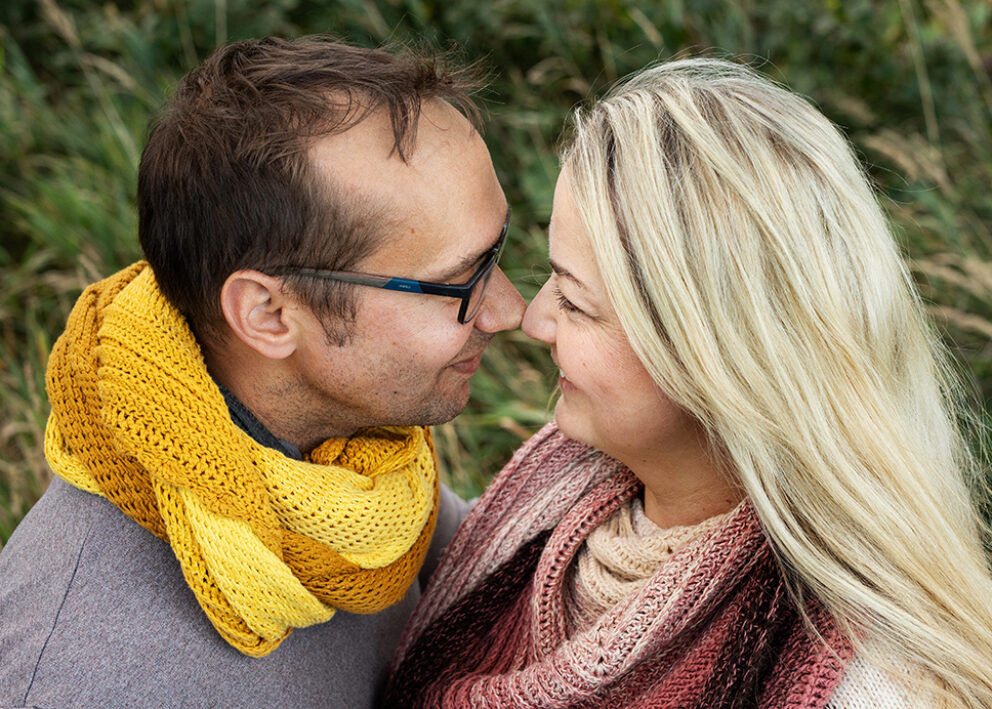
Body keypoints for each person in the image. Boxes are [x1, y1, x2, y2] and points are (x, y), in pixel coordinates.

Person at [386, 58, 992, 708]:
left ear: (711, 358)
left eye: (575, 300)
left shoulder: (865, 684)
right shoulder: (552, 497)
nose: (533, 320)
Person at [0, 36, 524, 708]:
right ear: (269, 314)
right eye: (459, 281)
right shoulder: (96, 677)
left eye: (497, 248)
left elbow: (484, 564)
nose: (513, 310)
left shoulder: (354, 471)